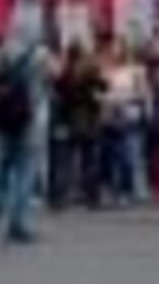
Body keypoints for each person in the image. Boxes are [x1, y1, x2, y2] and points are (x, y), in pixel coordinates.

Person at [0, 27, 48, 244]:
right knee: (24, 174)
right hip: (26, 124)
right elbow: (41, 91)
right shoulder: (37, 58)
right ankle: (17, 224)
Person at [51, 43, 107, 209]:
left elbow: (57, 93)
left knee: (65, 161)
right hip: (88, 121)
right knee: (89, 161)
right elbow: (104, 87)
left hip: (67, 121)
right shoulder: (90, 75)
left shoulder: (65, 75)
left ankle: (60, 197)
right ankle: (92, 197)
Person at [102, 41, 153, 204]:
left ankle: (137, 190)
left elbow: (144, 94)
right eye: (115, 52)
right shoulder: (108, 72)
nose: (117, 54)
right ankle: (117, 191)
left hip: (131, 116)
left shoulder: (136, 71)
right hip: (113, 118)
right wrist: (108, 101)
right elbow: (105, 94)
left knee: (133, 155)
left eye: (121, 51)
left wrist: (146, 111)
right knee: (115, 157)